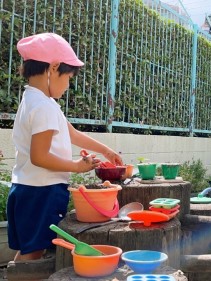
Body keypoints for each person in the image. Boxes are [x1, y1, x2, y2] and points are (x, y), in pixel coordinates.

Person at [7, 33, 123, 262]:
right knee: (32, 256)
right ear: (53, 67)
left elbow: (71, 133)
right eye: (69, 77)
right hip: (41, 191)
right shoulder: (43, 106)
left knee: (30, 252)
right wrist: (76, 167)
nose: (69, 85)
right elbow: (39, 157)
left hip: (27, 188)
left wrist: (106, 151)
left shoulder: (37, 100)